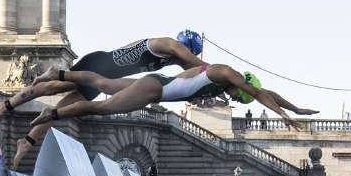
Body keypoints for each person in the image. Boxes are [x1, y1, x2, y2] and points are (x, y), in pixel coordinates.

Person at [0, 31, 208, 167]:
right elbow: (197, 66)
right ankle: (5, 105)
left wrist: (212, 86)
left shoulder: (170, 59)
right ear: (188, 47)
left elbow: (190, 73)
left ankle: (26, 142)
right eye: (190, 52)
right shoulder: (169, 44)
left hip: (104, 77)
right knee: (53, 87)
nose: (186, 56)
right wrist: (217, 74)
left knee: (61, 109)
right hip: (99, 64)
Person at [27, 64, 314, 130]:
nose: (236, 101)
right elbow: (258, 93)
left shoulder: (226, 81)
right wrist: (283, 115)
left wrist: (296, 108)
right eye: (239, 98)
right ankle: (50, 115)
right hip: (154, 90)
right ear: (240, 85)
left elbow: (265, 92)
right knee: (101, 107)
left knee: (104, 82)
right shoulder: (224, 73)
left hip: (158, 84)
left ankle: (58, 73)